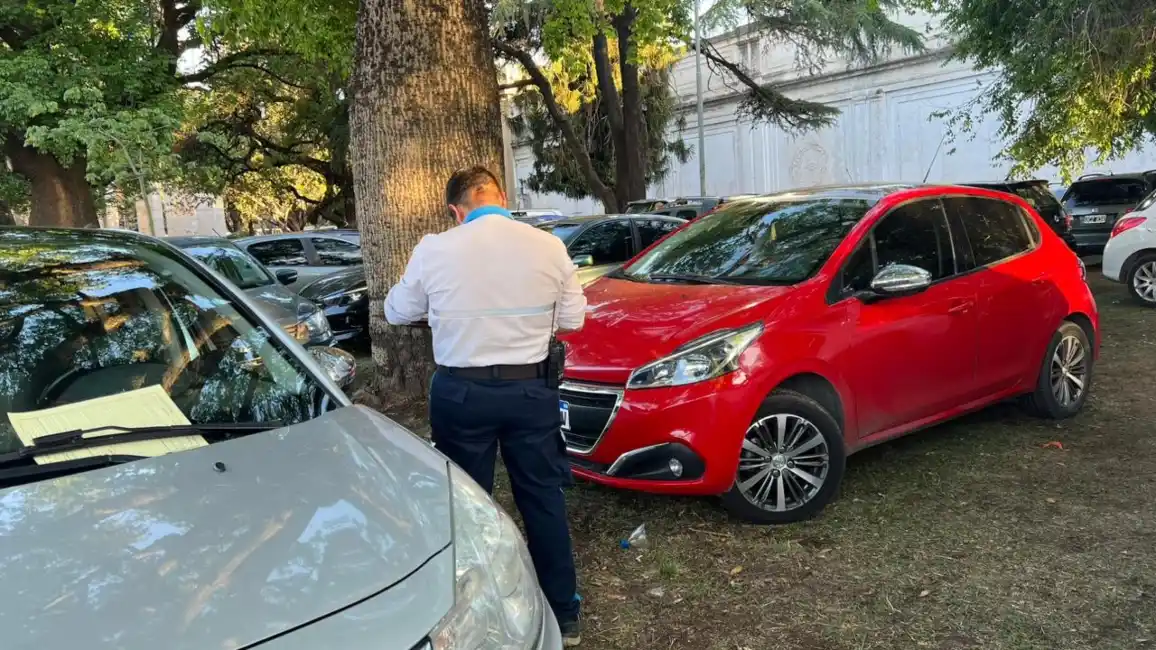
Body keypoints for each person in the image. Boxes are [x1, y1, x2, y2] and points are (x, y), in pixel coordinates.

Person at [384, 166, 587, 646]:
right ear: (502, 197)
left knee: (466, 505)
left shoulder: (435, 248)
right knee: (542, 498)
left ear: (457, 210)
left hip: (462, 395)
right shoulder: (548, 245)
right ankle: (564, 612)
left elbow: (397, 311)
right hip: (530, 392)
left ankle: (472, 618)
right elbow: (574, 319)